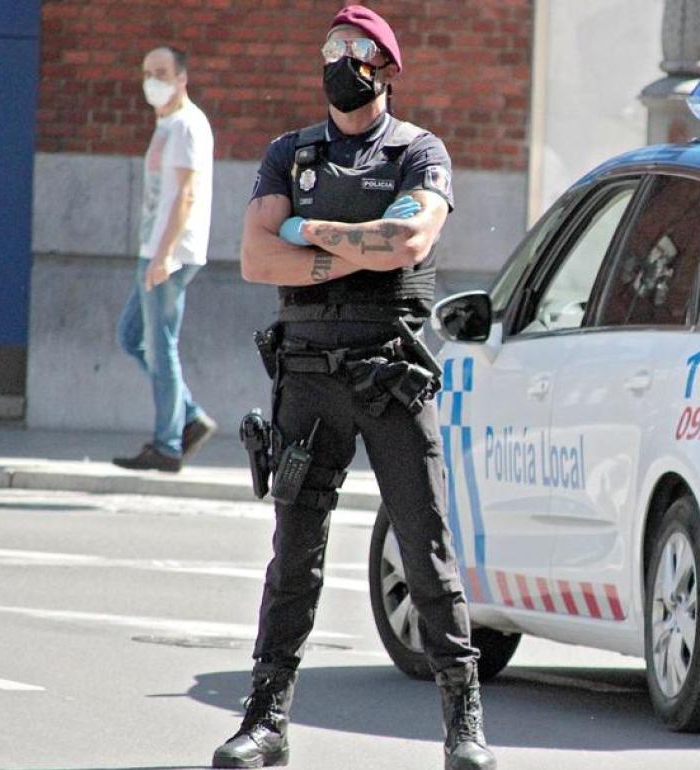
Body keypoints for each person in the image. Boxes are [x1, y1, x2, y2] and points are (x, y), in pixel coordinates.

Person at [212, 6, 493, 769]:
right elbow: (254, 259)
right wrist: (349, 247)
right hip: (306, 375)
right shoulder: (290, 154)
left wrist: (306, 232)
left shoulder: (416, 151)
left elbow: (409, 239)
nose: (338, 59)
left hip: (389, 373)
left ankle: (462, 725)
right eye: (330, 47)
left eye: (355, 49)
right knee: (293, 557)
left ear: (385, 67)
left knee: (424, 543)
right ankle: (266, 722)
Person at [113, 46, 217, 473]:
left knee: (161, 345)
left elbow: (187, 194)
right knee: (132, 336)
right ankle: (188, 417)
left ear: (181, 80)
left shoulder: (187, 126)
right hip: (153, 250)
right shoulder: (169, 124)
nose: (151, 80)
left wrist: (165, 254)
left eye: (161, 72)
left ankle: (168, 444)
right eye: (146, 72)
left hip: (168, 253)